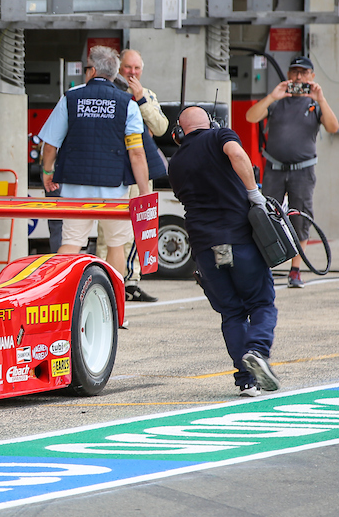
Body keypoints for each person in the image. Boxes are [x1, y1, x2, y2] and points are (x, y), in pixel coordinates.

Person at [168, 107, 281, 396]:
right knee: (261, 303)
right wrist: (253, 192)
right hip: (240, 240)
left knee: (231, 312)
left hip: (205, 248)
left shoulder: (176, 162)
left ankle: (246, 380)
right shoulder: (220, 135)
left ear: (179, 134)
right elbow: (238, 154)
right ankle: (257, 351)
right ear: (211, 124)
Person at [38, 45, 151, 277]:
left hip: (74, 186)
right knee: (115, 244)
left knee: (70, 243)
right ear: (115, 72)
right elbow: (137, 153)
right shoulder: (127, 103)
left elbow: (50, 145)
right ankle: (115, 305)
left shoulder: (70, 98)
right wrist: (142, 189)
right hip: (114, 187)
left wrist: (47, 172)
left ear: (91, 70)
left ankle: (61, 299)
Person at [245, 56, 339, 288]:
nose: (298, 77)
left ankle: (295, 270)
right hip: (274, 168)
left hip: (303, 170)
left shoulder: (315, 104)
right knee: (266, 217)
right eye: (294, 72)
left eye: (303, 73)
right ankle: (263, 268)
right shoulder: (277, 102)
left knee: (300, 218)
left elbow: (333, 127)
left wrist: (321, 99)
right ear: (288, 74)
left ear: (311, 77)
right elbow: (251, 117)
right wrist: (272, 96)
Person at [118, 49, 168, 302]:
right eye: (128, 68)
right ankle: (115, 280)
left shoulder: (147, 95)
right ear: (119, 68)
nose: (132, 73)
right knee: (113, 231)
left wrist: (141, 99)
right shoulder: (112, 93)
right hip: (116, 167)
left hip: (142, 169)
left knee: (140, 224)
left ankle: (132, 282)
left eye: (137, 69)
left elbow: (161, 127)